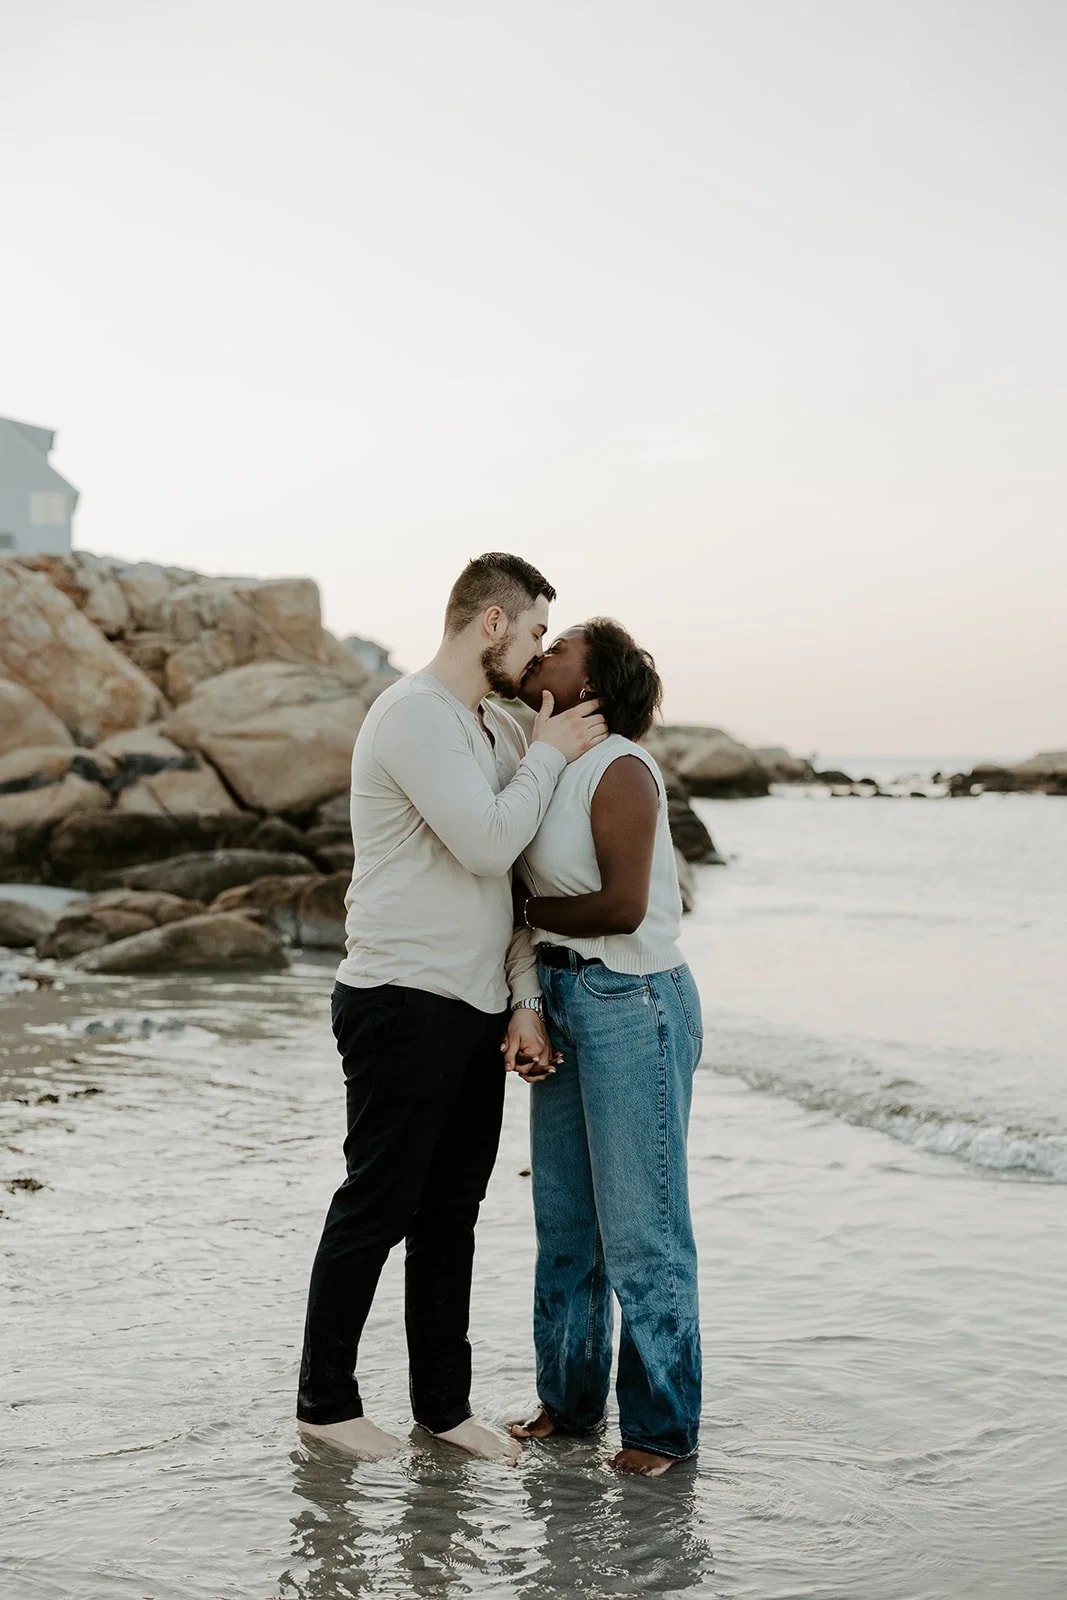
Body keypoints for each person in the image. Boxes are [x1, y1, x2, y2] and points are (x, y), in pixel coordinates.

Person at [296, 554, 607, 1465]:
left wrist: (521, 1003)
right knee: (376, 1204)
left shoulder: (500, 734)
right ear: (494, 625)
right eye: (538, 631)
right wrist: (551, 755)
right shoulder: (411, 716)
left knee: (451, 1217)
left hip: (472, 1010)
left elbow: (511, 891)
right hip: (397, 998)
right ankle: (326, 1402)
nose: (541, 652)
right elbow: (483, 843)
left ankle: (442, 1408)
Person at [507, 620, 703, 1476]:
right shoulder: (547, 758)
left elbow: (622, 906)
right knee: (565, 1226)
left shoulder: (620, 766)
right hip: (561, 995)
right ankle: (568, 1405)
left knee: (641, 1234)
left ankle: (660, 1430)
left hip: (632, 1003)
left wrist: (518, 916)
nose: (542, 655)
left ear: (591, 684)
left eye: (560, 649)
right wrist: (530, 988)